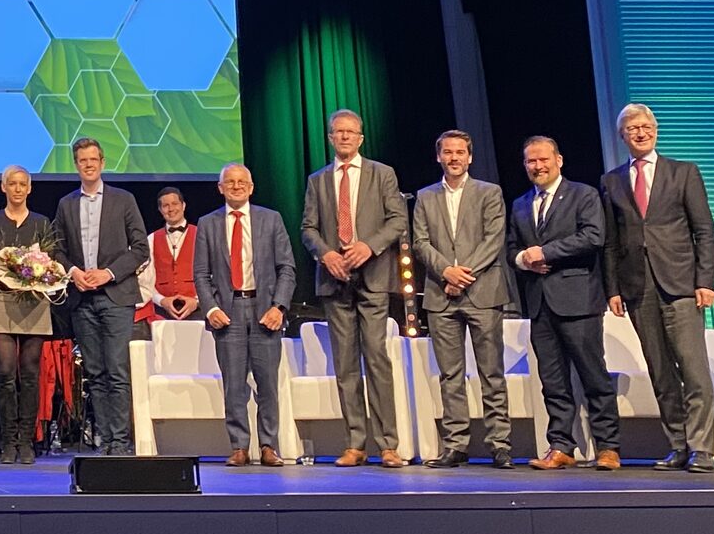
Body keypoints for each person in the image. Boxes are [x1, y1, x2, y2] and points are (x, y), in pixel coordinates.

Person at [603, 103, 714, 471]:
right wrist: (613, 288)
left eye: (646, 126)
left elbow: (704, 230)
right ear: (622, 136)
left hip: (681, 283)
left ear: (655, 131)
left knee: (693, 369)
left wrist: (705, 281)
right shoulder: (611, 181)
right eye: (632, 128)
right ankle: (679, 445)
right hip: (638, 287)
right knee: (661, 371)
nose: (640, 133)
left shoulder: (683, 172)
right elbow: (611, 242)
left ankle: (702, 448)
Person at [299, 109, 406, 467]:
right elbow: (308, 228)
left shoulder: (382, 174)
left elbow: (397, 220)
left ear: (361, 138)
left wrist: (369, 247)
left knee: (376, 359)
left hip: (372, 277)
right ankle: (355, 444)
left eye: (350, 132)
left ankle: (388, 444)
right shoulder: (317, 180)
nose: (344, 137)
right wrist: (326, 254)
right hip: (335, 280)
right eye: (338, 132)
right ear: (330, 138)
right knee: (345, 366)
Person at [509, 136, 621, 470]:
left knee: (593, 377)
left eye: (543, 159)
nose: (537, 166)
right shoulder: (520, 204)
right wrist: (523, 260)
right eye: (531, 161)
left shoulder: (583, 194)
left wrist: (545, 253)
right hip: (539, 304)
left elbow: (593, 237)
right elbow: (512, 247)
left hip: (578, 300)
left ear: (558, 160)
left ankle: (608, 447)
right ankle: (561, 446)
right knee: (553, 382)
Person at [412, 129, 513, 468]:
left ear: (469, 157)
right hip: (441, 295)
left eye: (460, 152)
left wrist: (463, 274)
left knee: (491, 372)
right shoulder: (425, 196)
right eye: (448, 152)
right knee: (450, 375)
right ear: (438, 156)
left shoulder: (489, 192)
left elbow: (494, 239)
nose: (454, 158)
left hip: (482, 292)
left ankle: (499, 444)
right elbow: (420, 243)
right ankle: (456, 445)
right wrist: (446, 272)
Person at [194, 164, 296, 466]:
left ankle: (268, 446)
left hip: (265, 310)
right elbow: (200, 273)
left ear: (251, 187)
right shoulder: (208, 223)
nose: (236, 186)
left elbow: (287, 268)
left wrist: (279, 307)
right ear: (220, 188)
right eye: (230, 182)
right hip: (228, 312)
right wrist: (211, 308)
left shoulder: (271, 219)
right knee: (234, 384)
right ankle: (239, 446)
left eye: (242, 182)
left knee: (268, 384)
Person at [53, 137, 149, 456]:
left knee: (117, 371)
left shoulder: (124, 199)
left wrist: (108, 273)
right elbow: (57, 249)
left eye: (93, 159)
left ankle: (120, 441)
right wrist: (74, 272)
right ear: (76, 165)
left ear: (103, 162)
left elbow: (140, 249)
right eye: (83, 160)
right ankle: (105, 440)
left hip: (116, 296)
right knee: (94, 372)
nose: (88, 165)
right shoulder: (66, 204)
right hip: (82, 299)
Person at [0, 165, 59, 464]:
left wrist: (34, 272)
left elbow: (51, 261)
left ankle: (27, 441)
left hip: (34, 302)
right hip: (1, 300)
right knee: (6, 372)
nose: (18, 189)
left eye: (23, 184)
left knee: (31, 373)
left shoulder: (41, 222)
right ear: (4, 187)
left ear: (30, 188)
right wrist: (5, 270)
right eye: (12, 184)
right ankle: (9, 441)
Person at [147, 186, 201, 322]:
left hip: (198, 311)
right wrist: (162, 301)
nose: (171, 209)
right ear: (160, 210)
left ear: (183, 205)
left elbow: (214, 275)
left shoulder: (202, 235)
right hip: (162, 313)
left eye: (175, 204)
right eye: (165, 206)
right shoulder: (151, 239)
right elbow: (145, 279)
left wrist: (197, 301)